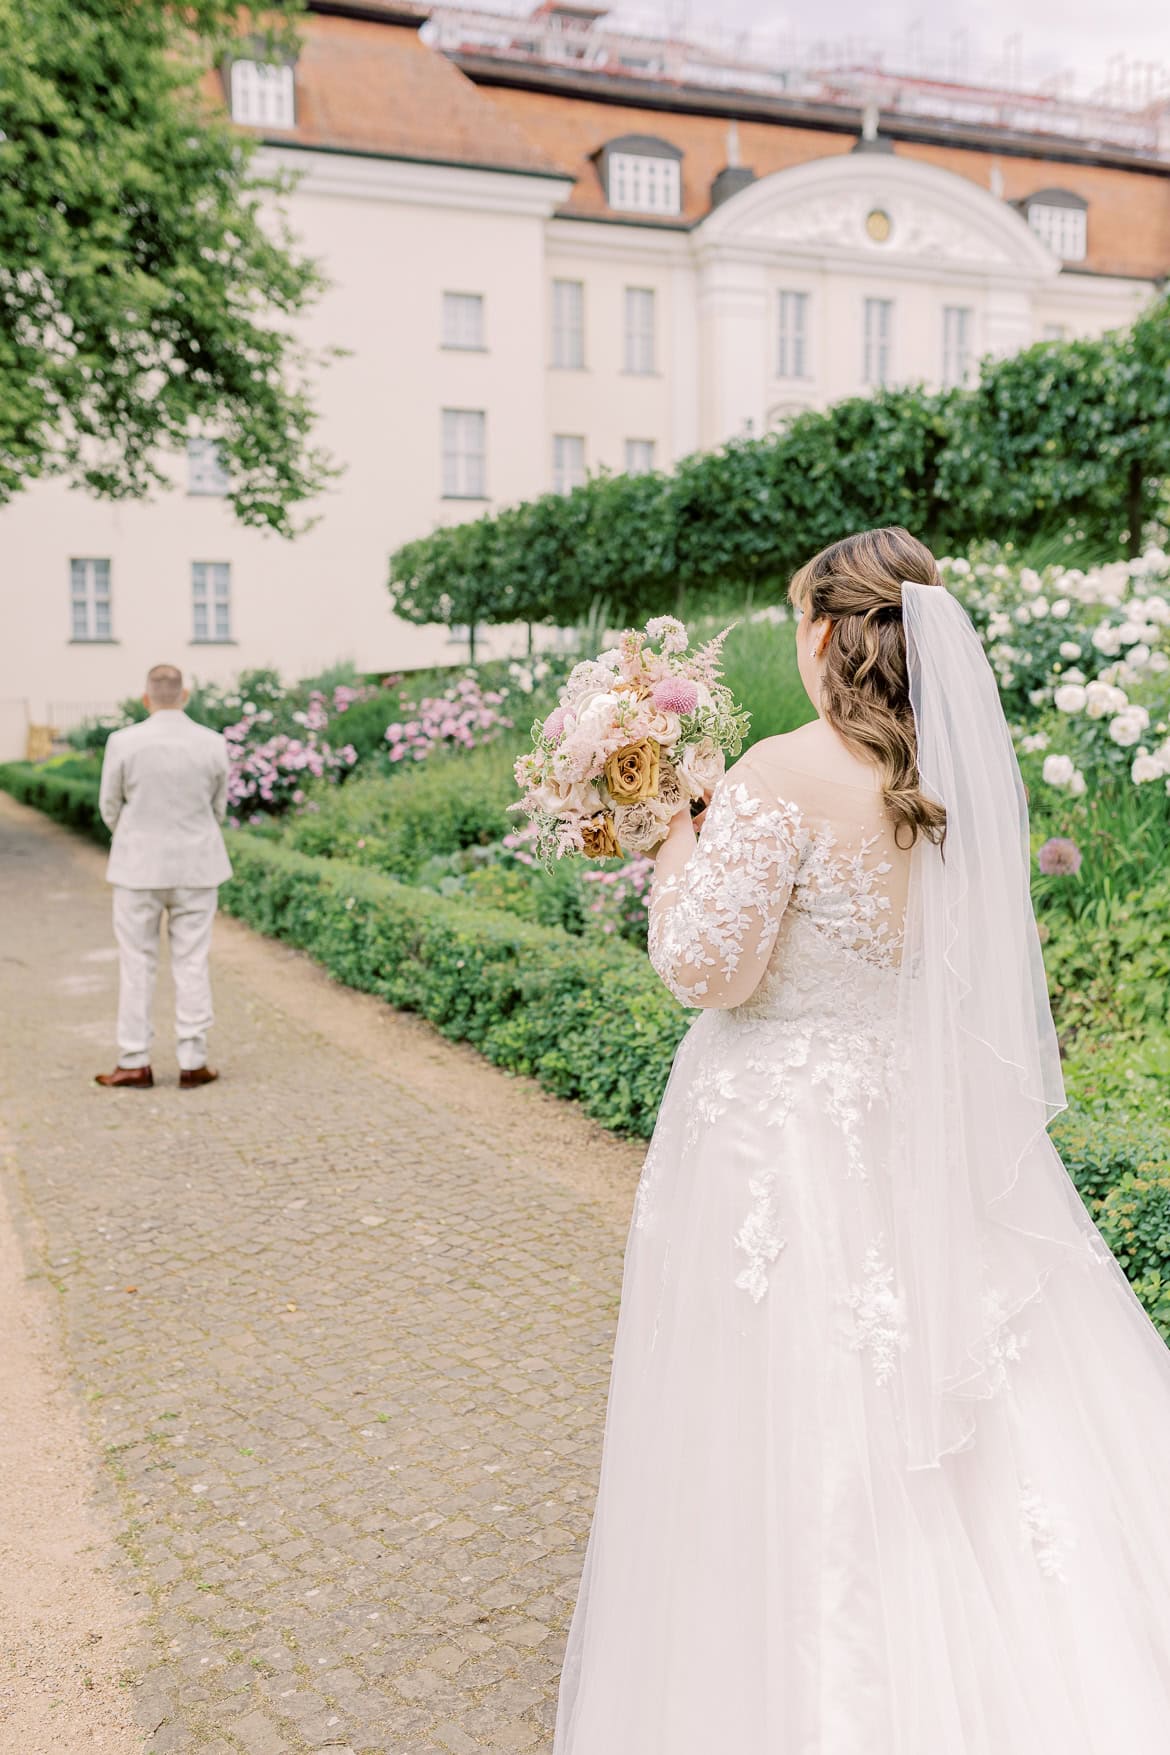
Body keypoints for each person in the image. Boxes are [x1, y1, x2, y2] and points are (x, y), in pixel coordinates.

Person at [552, 528, 1170, 1753]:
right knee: (977, 1392)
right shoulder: (948, 775)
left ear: (828, 632)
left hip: (778, 1134)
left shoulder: (782, 771)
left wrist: (673, 831)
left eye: (799, 618)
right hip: (906, 1115)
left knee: (792, 1407)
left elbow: (705, 972)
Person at [94, 664, 231, 1090]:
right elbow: (219, 808)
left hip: (138, 869)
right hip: (197, 867)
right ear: (185, 695)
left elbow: (109, 806)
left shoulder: (123, 742)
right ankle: (193, 1060)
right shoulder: (213, 743)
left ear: (145, 698)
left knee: (137, 964)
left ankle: (134, 1061)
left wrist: (135, 839)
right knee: (192, 961)